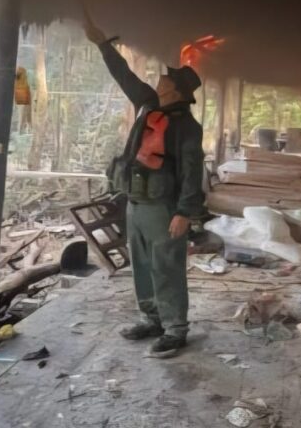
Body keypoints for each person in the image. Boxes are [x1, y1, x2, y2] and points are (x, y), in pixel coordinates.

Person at [84, 20, 206, 358]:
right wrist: (103, 45)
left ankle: (175, 329)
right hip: (136, 202)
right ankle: (151, 318)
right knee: (140, 264)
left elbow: (193, 173)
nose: (160, 78)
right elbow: (125, 76)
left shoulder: (186, 127)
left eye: (167, 78)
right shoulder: (148, 104)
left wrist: (185, 212)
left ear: (176, 90)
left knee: (166, 267)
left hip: (164, 207)